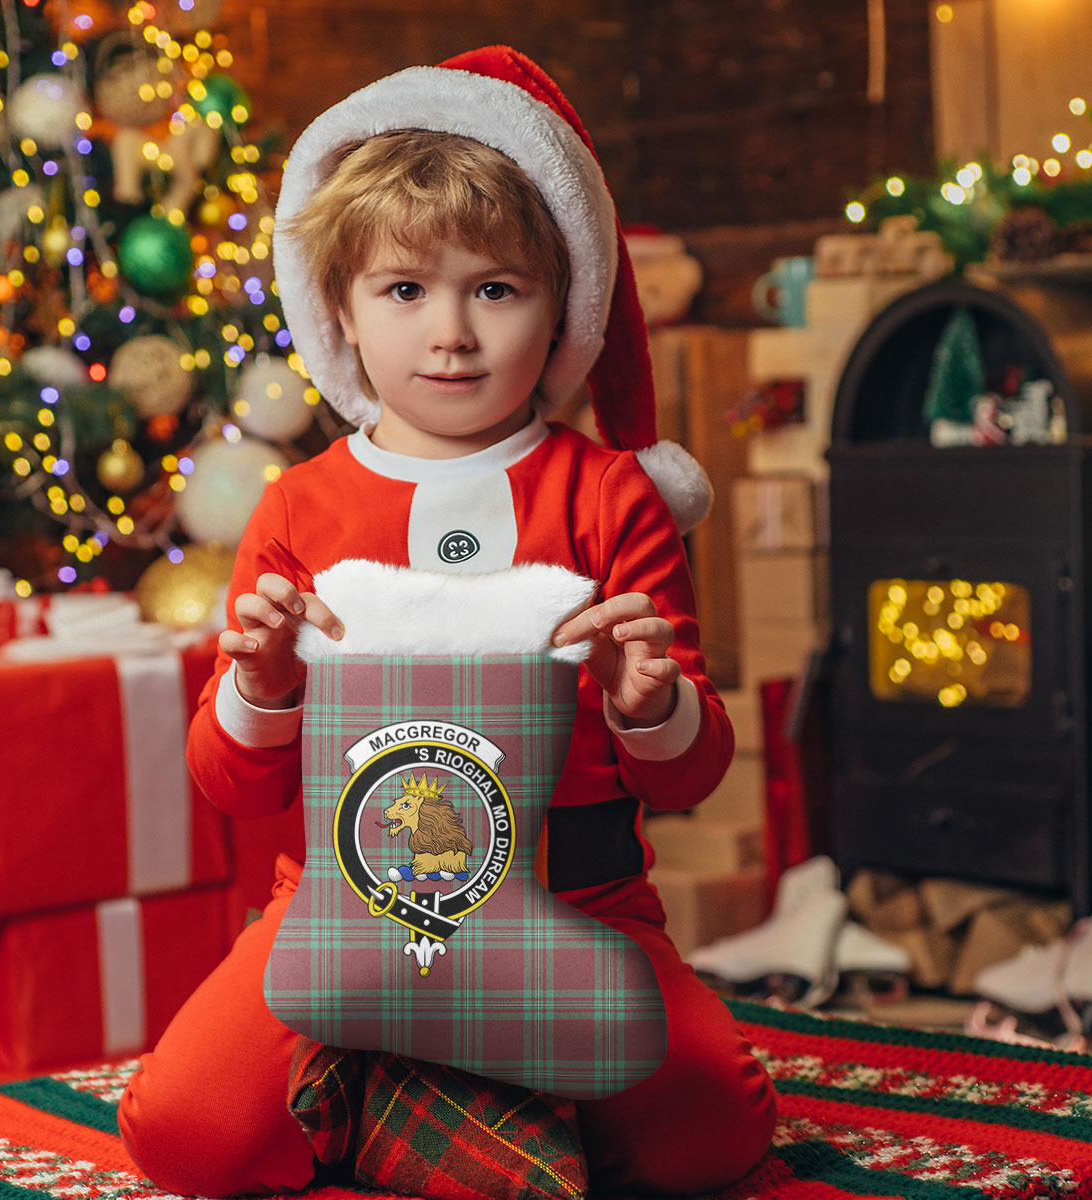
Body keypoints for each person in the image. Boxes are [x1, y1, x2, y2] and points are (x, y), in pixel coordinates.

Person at [118, 45, 776, 1197]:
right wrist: (263, 686)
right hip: (341, 902)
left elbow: (690, 780)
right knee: (187, 1135)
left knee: (712, 1137)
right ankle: (434, 1085)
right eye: (406, 289)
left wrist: (654, 705)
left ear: (559, 303)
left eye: (496, 288)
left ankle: (421, 1088)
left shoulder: (610, 496)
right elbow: (233, 784)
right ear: (341, 310)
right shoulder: (301, 503)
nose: (452, 334)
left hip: (581, 901)